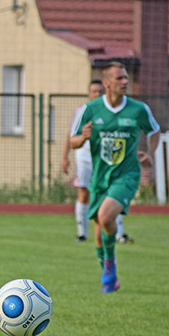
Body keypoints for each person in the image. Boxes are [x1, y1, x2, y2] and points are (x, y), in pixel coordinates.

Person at [70, 62, 159, 293]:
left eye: (126, 77)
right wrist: (83, 137)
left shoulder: (138, 109)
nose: (125, 82)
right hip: (100, 178)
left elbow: (154, 131)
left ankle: (110, 264)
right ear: (107, 83)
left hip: (127, 175)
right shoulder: (91, 110)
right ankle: (109, 272)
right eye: (119, 78)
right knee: (99, 234)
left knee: (105, 215)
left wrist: (149, 153)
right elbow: (73, 141)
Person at [63, 80, 132, 244]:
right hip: (84, 157)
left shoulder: (112, 111)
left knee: (112, 192)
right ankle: (82, 233)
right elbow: (71, 135)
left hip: (106, 157)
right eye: (93, 91)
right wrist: (64, 157)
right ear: (88, 94)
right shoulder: (82, 111)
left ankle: (119, 233)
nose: (97, 94)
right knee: (84, 192)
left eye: (99, 91)